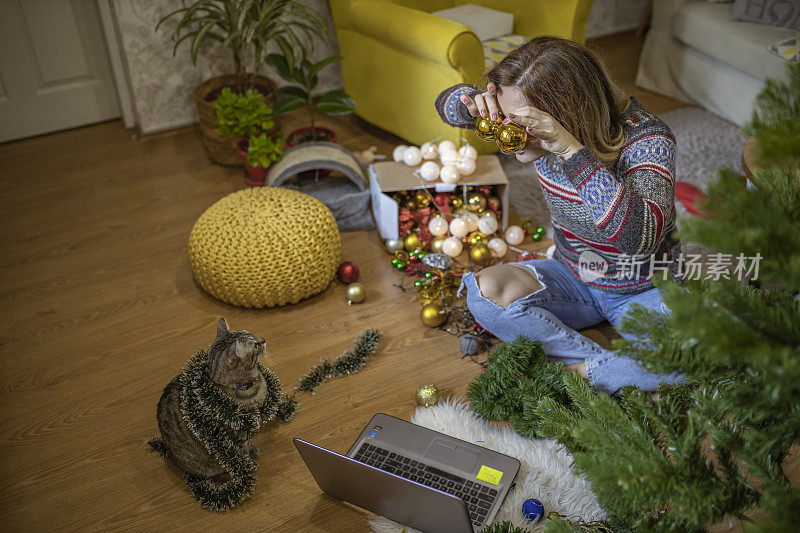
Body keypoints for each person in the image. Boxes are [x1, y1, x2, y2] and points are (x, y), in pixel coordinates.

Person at [435, 36, 684, 395]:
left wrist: (572, 151)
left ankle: (577, 376)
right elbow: (443, 104)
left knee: (694, 351)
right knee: (485, 292)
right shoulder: (522, 119)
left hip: (643, 287)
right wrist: (472, 105)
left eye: (518, 125)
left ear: (569, 115)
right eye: (502, 119)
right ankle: (604, 370)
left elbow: (637, 240)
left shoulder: (648, 140)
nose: (508, 137)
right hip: (573, 275)